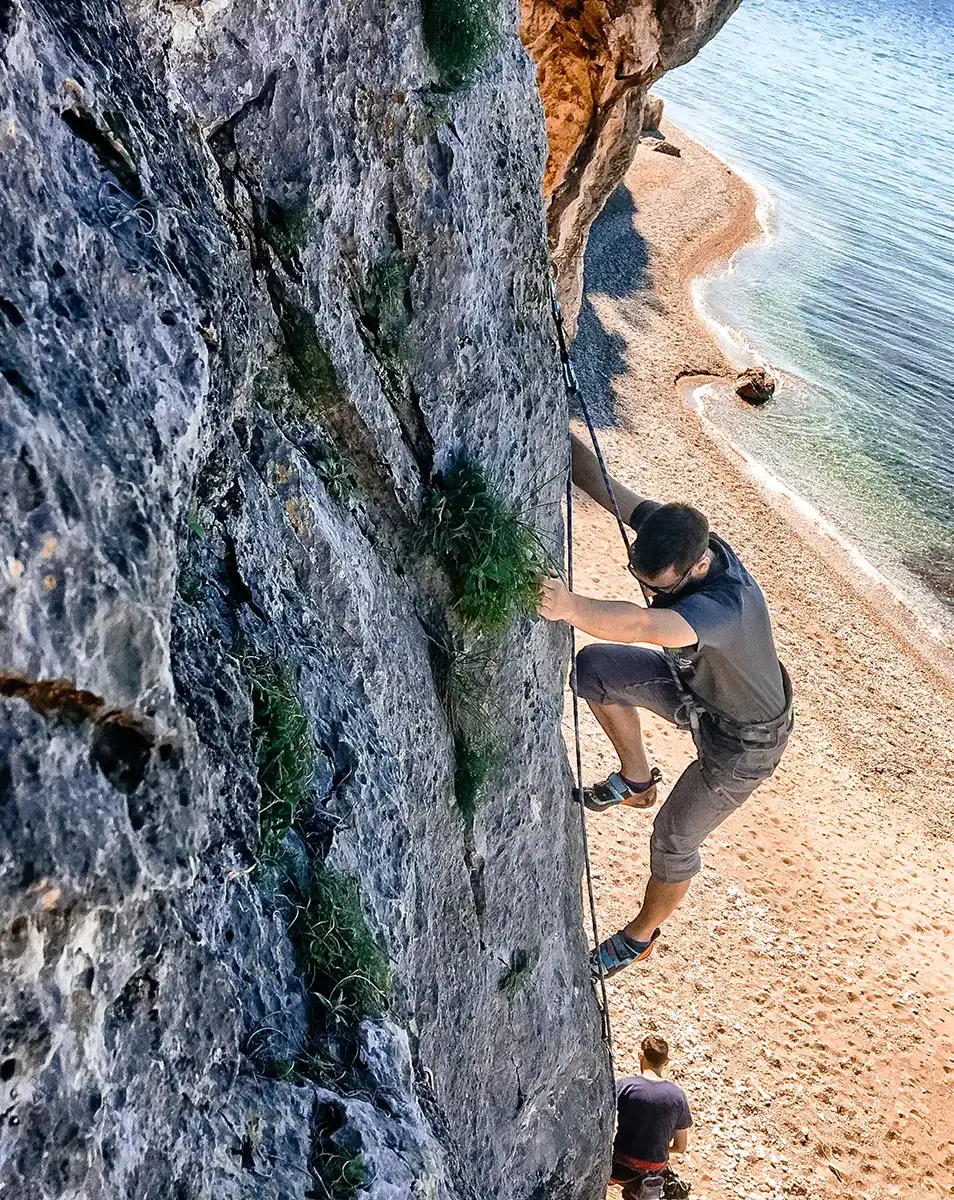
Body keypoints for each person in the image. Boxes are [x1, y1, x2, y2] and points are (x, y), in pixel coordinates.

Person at [538, 433, 793, 975]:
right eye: (641, 579)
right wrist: (555, 431)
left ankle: (639, 937)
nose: (650, 591)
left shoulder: (724, 607)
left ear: (698, 566)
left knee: (674, 840)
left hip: (745, 741)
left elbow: (642, 624)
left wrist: (566, 605)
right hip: (697, 689)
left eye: (658, 585)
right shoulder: (672, 534)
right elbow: (606, 485)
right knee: (593, 670)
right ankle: (635, 781)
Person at [612, 1035, 692, 1200]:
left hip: (620, 1165)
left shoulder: (624, 1086)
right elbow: (680, 1147)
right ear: (667, 1061)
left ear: (640, 1056)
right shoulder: (678, 1096)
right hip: (654, 1168)